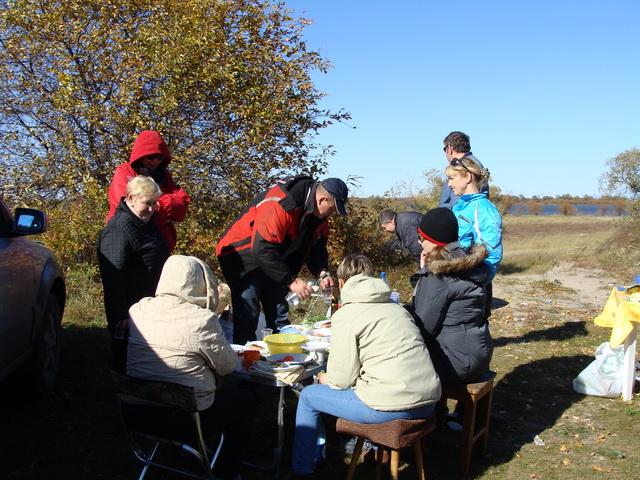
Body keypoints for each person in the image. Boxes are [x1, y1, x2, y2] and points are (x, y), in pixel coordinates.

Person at [290, 254, 441, 478]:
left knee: (309, 396)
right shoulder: (397, 308)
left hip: (390, 405)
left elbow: (341, 381)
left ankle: (302, 469)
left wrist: (325, 378)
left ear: (342, 282)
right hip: (429, 401)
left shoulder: (347, 314)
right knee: (373, 381)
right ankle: (374, 449)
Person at [126, 255, 253, 480]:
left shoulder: (139, 309)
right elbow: (228, 366)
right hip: (188, 418)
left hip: (139, 412)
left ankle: (183, 454)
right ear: (200, 283)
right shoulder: (201, 320)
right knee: (244, 398)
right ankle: (226, 469)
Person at [216, 175, 348, 344]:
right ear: (322, 200)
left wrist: (322, 273)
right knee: (248, 316)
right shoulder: (280, 203)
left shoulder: (318, 217)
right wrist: (291, 281)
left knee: (279, 316)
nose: (332, 214)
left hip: (274, 259)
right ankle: (245, 365)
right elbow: (261, 249)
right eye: (332, 209)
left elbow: (317, 249)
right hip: (241, 257)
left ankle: (281, 360)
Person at [410, 208, 493, 386]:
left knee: (400, 360)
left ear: (432, 242)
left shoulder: (439, 275)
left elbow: (423, 327)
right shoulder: (471, 265)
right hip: (481, 354)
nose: (419, 242)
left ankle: (431, 412)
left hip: (456, 362)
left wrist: (425, 273)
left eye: (422, 238)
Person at [98, 176, 170, 373]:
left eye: (155, 203)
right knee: (127, 361)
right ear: (130, 198)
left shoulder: (146, 223)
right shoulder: (118, 229)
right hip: (129, 309)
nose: (152, 208)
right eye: (148, 203)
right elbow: (113, 276)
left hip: (148, 304)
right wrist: (119, 314)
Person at [107, 130, 190, 252]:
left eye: (160, 157)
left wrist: (156, 204)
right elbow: (128, 209)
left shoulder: (164, 176)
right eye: (151, 157)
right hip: (127, 243)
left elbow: (182, 207)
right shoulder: (125, 172)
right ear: (141, 156)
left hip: (159, 246)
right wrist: (164, 214)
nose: (156, 161)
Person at [445, 155, 502, 281]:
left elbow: (489, 251)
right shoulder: (459, 205)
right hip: (457, 268)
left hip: (472, 276)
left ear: (467, 177)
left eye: (451, 178)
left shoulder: (483, 208)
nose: (449, 184)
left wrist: (479, 278)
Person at [439, 131, 489, 209]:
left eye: (444, 149)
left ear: (449, 149)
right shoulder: (474, 164)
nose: (450, 183)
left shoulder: (461, 167)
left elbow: (457, 202)